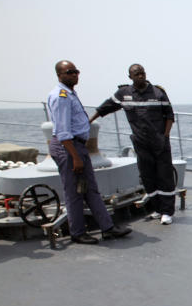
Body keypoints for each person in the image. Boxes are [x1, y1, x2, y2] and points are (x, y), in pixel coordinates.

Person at [47, 60, 132, 244]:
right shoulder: (61, 96)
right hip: (67, 148)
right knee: (74, 192)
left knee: (90, 189)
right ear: (59, 75)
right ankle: (77, 233)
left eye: (76, 71)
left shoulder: (70, 94)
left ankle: (107, 228)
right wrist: (75, 157)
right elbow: (62, 131)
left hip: (77, 146)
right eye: (69, 72)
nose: (74, 75)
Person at [90, 64, 176, 225]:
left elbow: (169, 116)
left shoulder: (158, 93)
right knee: (147, 176)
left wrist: (165, 136)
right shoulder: (124, 94)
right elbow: (106, 107)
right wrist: (89, 120)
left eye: (142, 73)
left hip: (160, 142)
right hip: (141, 143)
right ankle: (157, 208)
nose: (140, 76)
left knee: (165, 177)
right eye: (137, 74)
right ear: (130, 77)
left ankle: (167, 211)